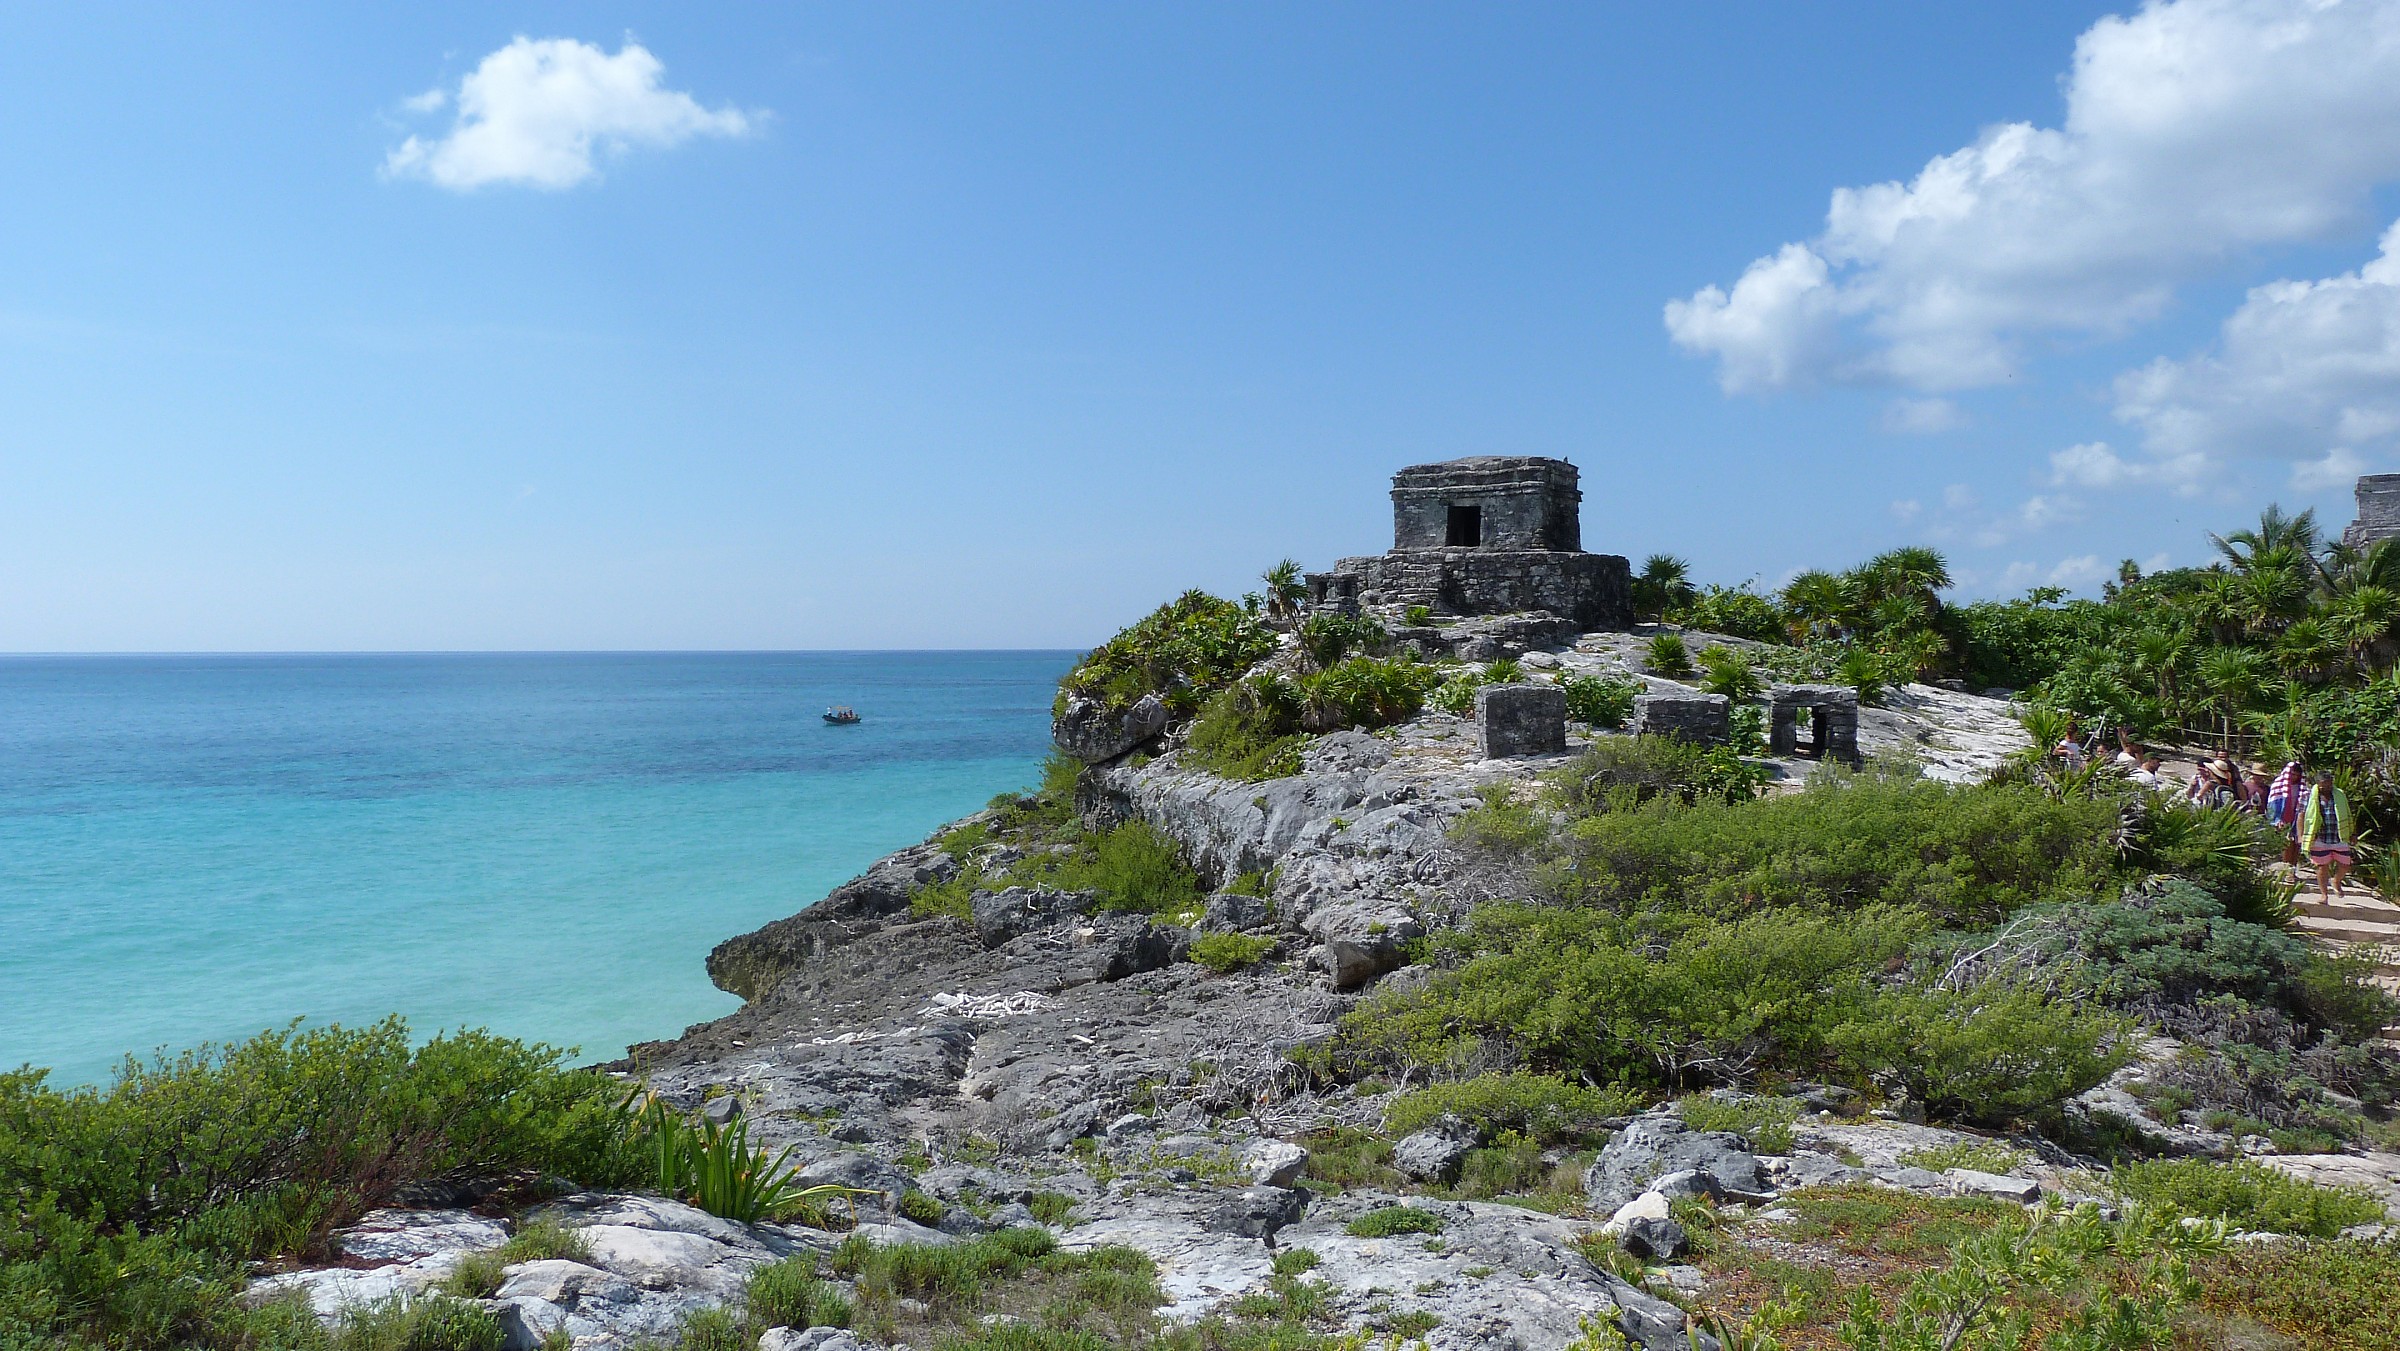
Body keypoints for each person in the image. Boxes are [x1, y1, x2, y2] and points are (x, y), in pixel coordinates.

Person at [2300, 770, 2356, 902]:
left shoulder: (2339, 795)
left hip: (2339, 835)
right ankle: (2324, 895)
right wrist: (2301, 835)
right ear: (2318, 783)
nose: (2327, 787)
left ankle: (2336, 880)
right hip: (2319, 837)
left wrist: (2353, 833)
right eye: (2324, 784)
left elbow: (2348, 814)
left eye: (2329, 784)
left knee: (2345, 864)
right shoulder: (2308, 796)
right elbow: (2301, 815)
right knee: (2322, 866)